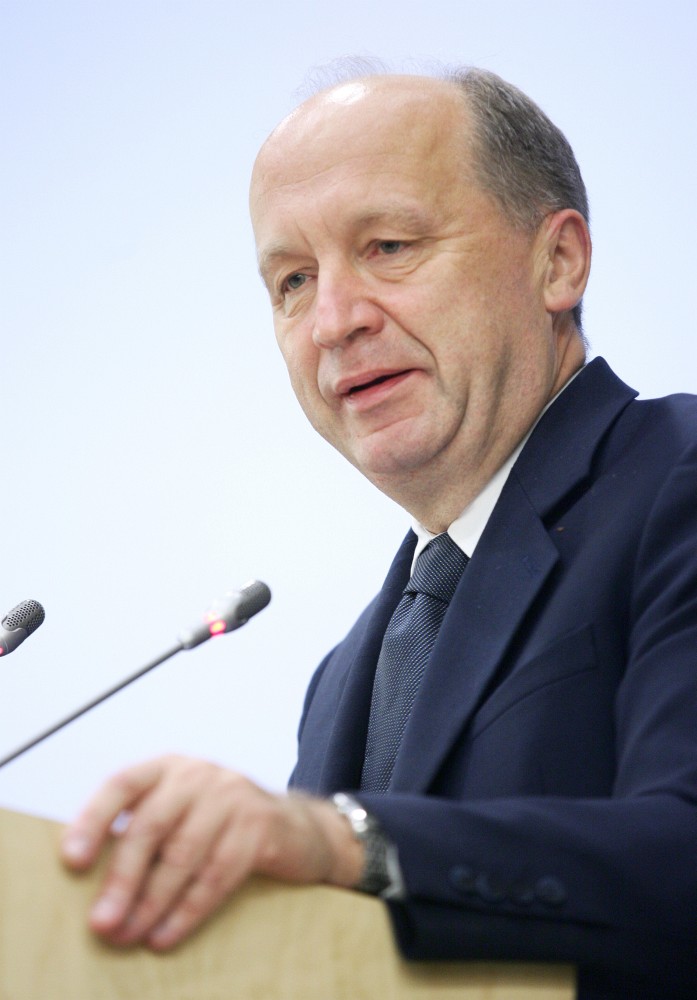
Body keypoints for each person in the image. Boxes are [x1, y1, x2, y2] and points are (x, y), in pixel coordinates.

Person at [60, 68, 697, 998]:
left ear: (557, 262)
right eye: (293, 281)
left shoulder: (678, 476)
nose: (333, 321)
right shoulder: (342, 680)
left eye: (389, 247)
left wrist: (342, 840)